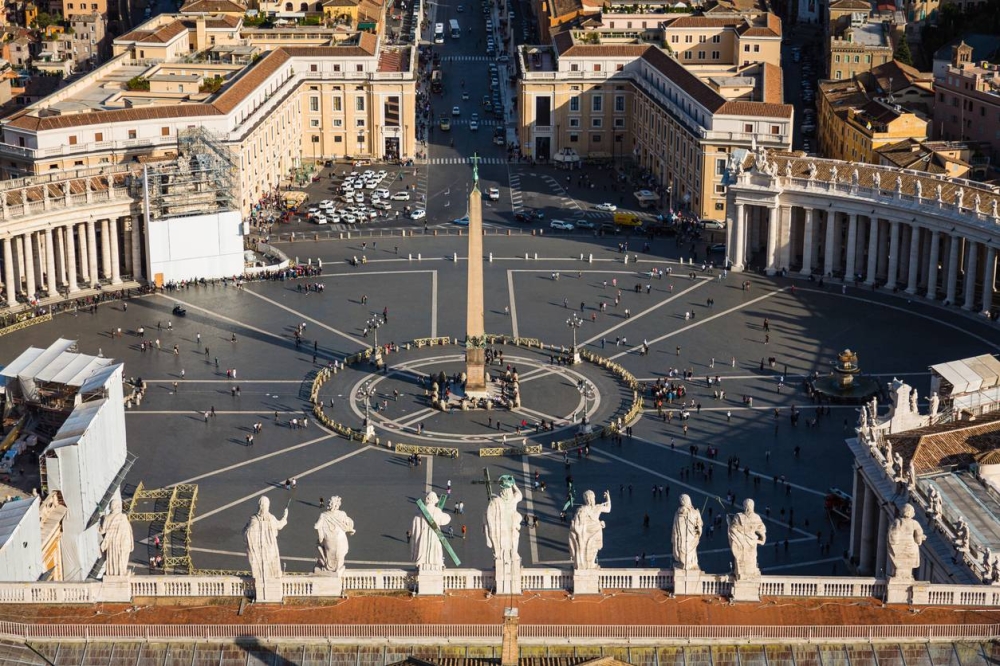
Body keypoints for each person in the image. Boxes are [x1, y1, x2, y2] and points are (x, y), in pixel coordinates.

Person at [244, 496, 289, 590]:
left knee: (262, 570)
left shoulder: (253, 519)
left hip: (259, 551)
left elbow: (245, 533)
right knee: (272, 569)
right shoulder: (271, 519)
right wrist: (285, 517)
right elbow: (280, 525)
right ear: (268, 506)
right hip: (271, 549)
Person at [568, 489, 612, 569]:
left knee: (594, 548)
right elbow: (608, 509)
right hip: (595, 531)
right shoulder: (597, 507)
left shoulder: (582, 509)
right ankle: (591, 563)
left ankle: (590, 563)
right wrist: (608, 498)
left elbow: (578, 522)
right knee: (595, 548)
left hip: (587, 532)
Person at [314, 496, 356, 574]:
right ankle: (337, 569)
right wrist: (351, 530)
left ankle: (328, 567)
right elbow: (349, 524)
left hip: (329, 540)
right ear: (337, 505)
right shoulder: (342, 514)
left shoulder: (323, 515)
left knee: (325, 550)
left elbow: (316, 526)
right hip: (340, 539)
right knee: (340, 554)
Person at [411, 491, 451, 570]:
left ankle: (421, 562)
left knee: (423, 547)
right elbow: (446, 519)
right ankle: (439, 562)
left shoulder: (421, 512)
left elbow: (416, 521)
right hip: (435, 534)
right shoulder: (437, 511)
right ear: (435, 500)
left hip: (424, 534)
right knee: (437, 549)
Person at [728, 498, 766, 579]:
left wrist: (731, 524)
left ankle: (742, 572)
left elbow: (733, 529)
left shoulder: (738, 516)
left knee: (743, 558)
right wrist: (763, 538)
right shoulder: (756, 517)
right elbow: (762, 529)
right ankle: (749, 572)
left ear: (744, 506)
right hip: (751, 541)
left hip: (742, 541)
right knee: (751, 558)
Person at [100, 498, 134, 577]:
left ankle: (113, 572)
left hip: (112, 545)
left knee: (112, 560)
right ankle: (121, 572)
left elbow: (102, 530)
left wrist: (102, 519)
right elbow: (128, 532)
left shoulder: (107, 518)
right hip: (122, 543)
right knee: (121, 560)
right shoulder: (123, 517)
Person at [672, 494, 703, 571]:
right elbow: (675, 528)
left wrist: (697, 528)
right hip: (682, 538)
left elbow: (699, 524)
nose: (681, 501)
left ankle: (689, 564)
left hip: (689, 538)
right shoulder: (678, 514)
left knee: (688, 554)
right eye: (681, 500)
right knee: (683, 554)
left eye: (683, 500)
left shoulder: (695, 513)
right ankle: (686, 564)